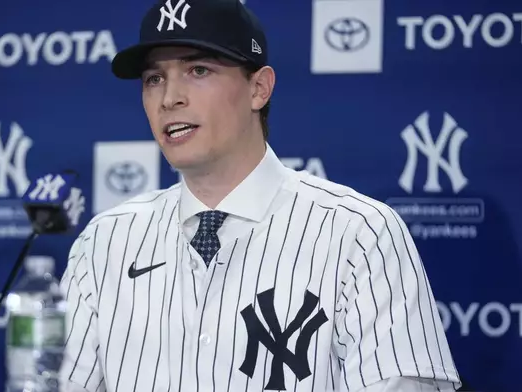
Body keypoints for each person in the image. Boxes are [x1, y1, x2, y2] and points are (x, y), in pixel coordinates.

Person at [59, 0, 462, 391]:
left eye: (198, 70)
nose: (169, 98)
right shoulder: (105, 241)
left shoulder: (357, 234)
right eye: (154, 79)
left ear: (259, 88)